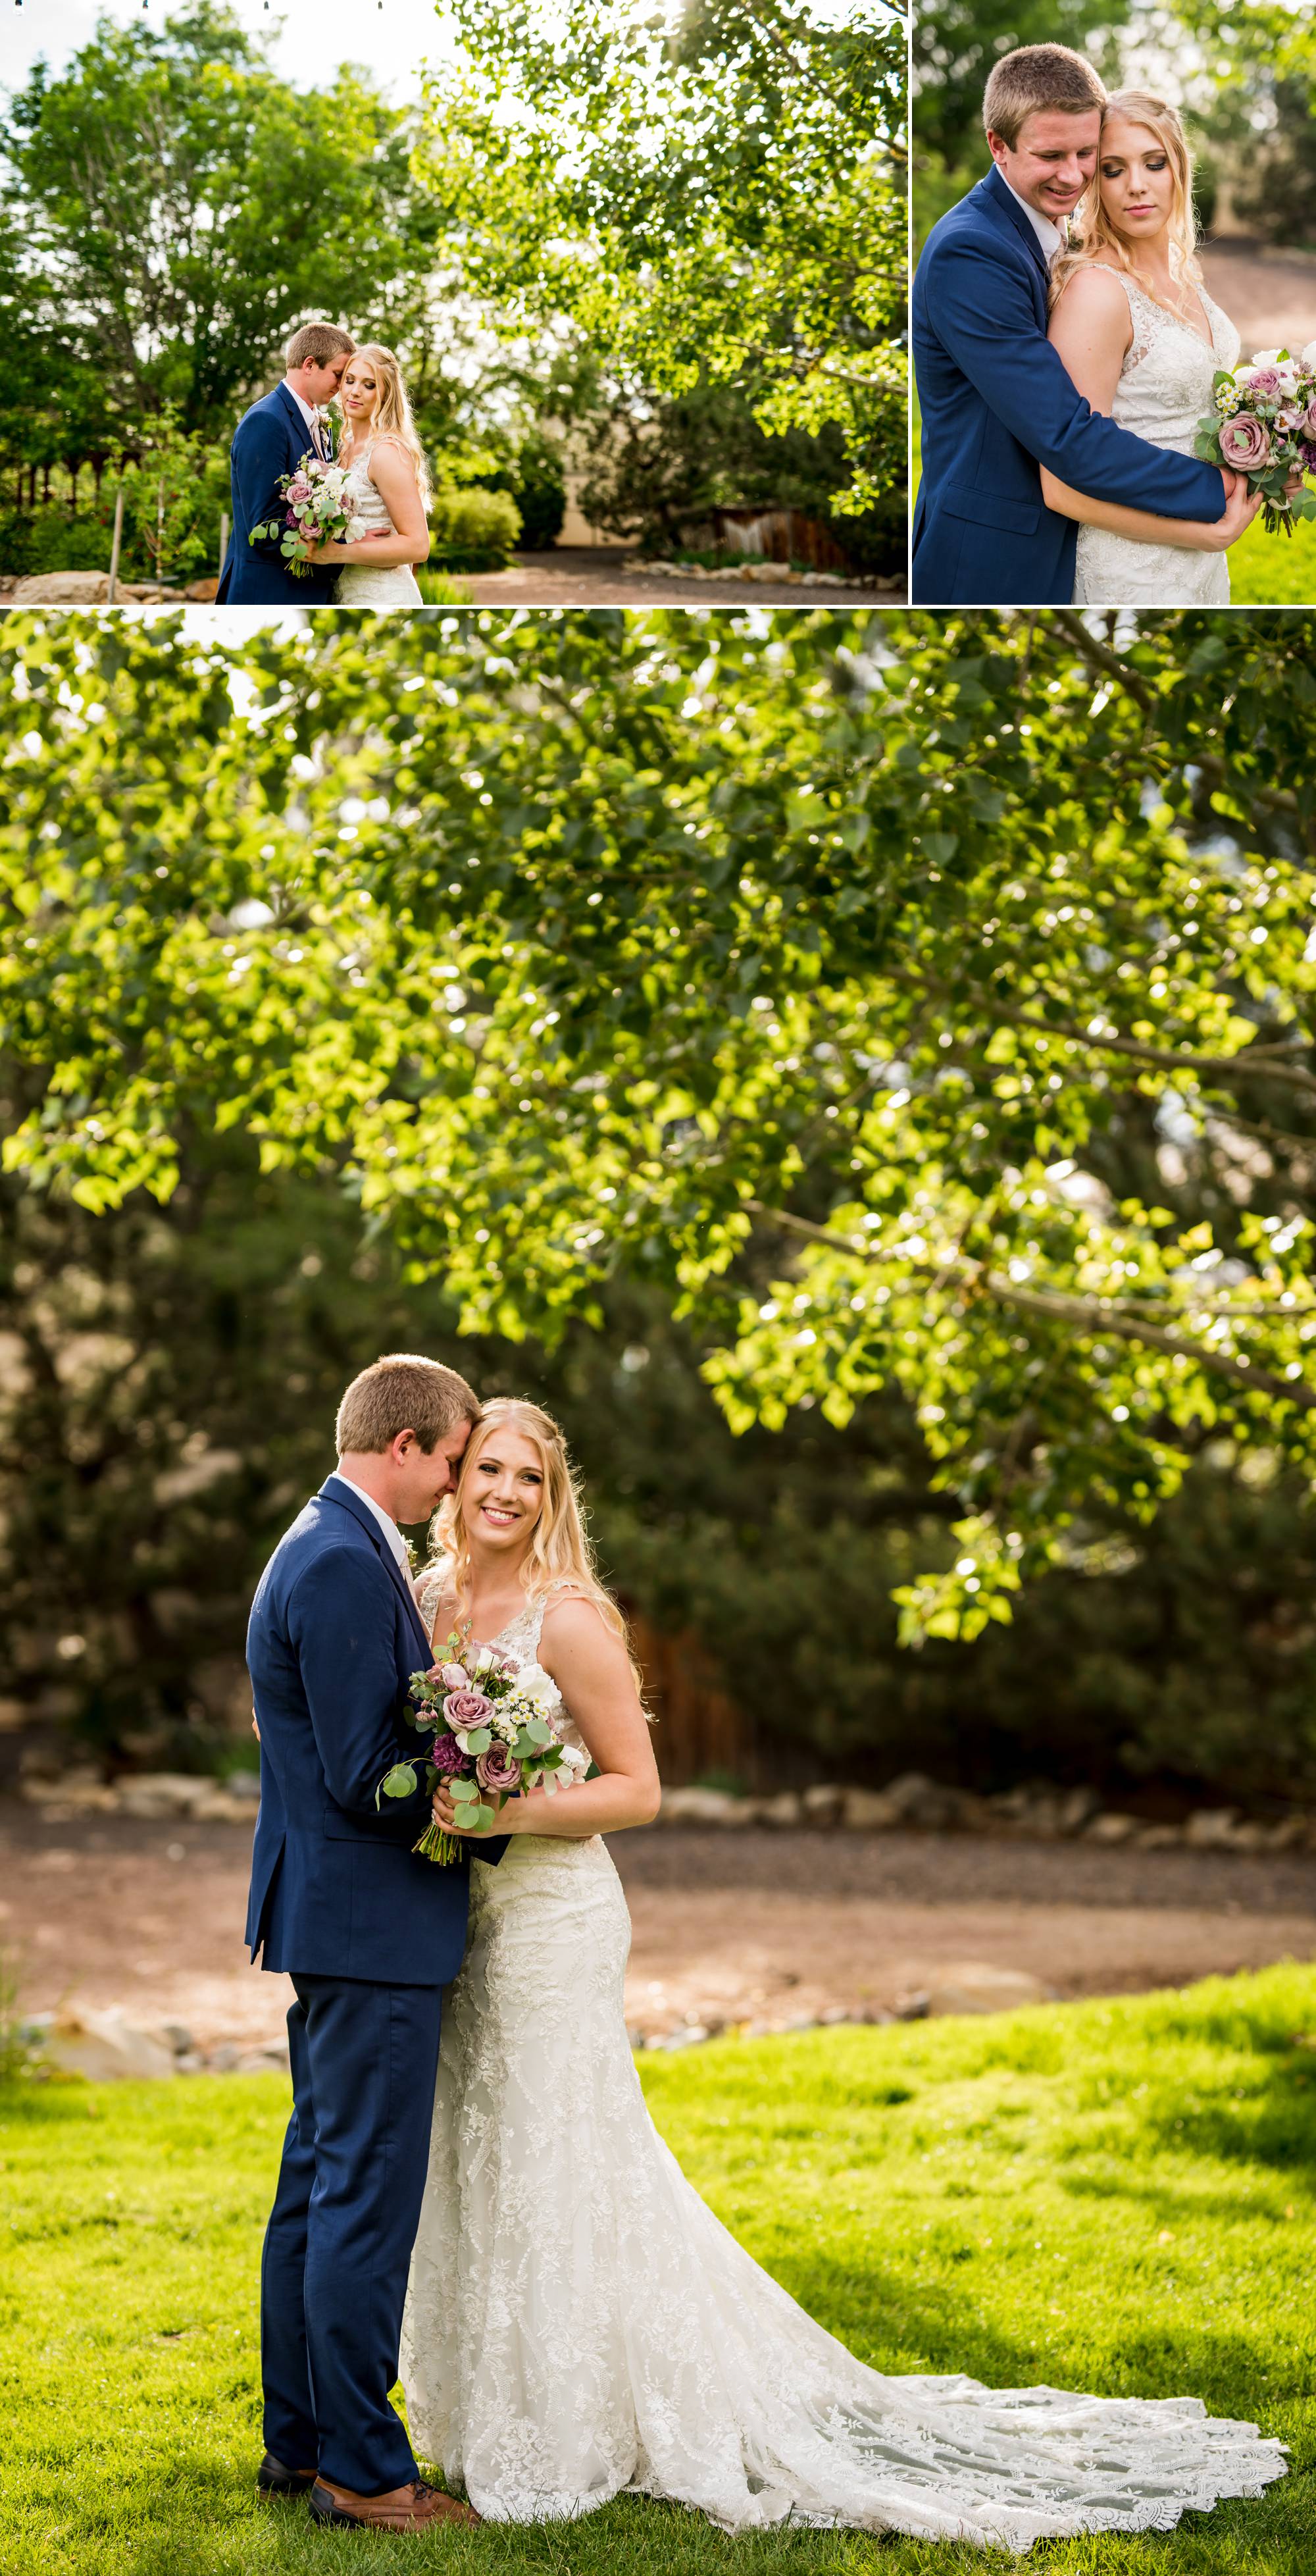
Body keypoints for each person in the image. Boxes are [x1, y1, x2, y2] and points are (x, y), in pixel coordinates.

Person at [398, 1400, 1286, 2546]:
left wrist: (507, 1801)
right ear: (457, 1477)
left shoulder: (571, 1620)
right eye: (488, 1469)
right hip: (464, 1918)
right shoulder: (431, 1601)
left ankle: (576, 2425)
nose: (505, 1491)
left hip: (555, 1918)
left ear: (553, 1494)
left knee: (559, 2147)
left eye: (529, 1474)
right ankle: (493, 2414)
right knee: (481, 2145)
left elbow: (639, 1788)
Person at [244, 1352, 507, 2535]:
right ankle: (360, 2468)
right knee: (361, 2198)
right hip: (371, 1927)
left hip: (338, 1920)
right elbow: (367, 1776)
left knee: (317, 2183)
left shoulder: (330, 1543)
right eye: (455, 1456)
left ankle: (300, 2445)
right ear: (404, 1445)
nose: (457, 1482)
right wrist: (494, 1780)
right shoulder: (344, 1562)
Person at [911, 46, 1252, 605]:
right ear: (997, 145)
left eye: (1087, 153)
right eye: (1051, 155)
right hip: (990, 558)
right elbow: (1067, 436)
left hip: (1097, 538)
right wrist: (1222, 489)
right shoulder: (970, 252)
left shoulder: (1063, 234)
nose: (1074, 176)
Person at [1046, 92, 1255, 604]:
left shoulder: (1184, 272)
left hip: (1205, 569)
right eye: (1113, 170)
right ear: (1095, 182)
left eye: (1154, 163)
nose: (1136, 185)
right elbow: (1061, 488)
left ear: (1178, 169)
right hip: (1131, 570)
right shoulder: (1096, 292)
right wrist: (1203, 534)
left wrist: (1272, 457)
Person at [217, 322, 355, 607]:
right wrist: (348, 547)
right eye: (338, 375)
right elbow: (265, 525)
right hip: (268, 593)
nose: (342, 387)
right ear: (309, 364)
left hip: (308, 592)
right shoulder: (265, 421)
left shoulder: (322, 425)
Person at [303, 343, 432, 605]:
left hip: (384, 595)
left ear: (385, 394)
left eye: (369, 385)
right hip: (345, 593)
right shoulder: (345, 446)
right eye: (349, 381)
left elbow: (418, 546)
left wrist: (337, 553)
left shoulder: (386, 452)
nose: (355, 392)